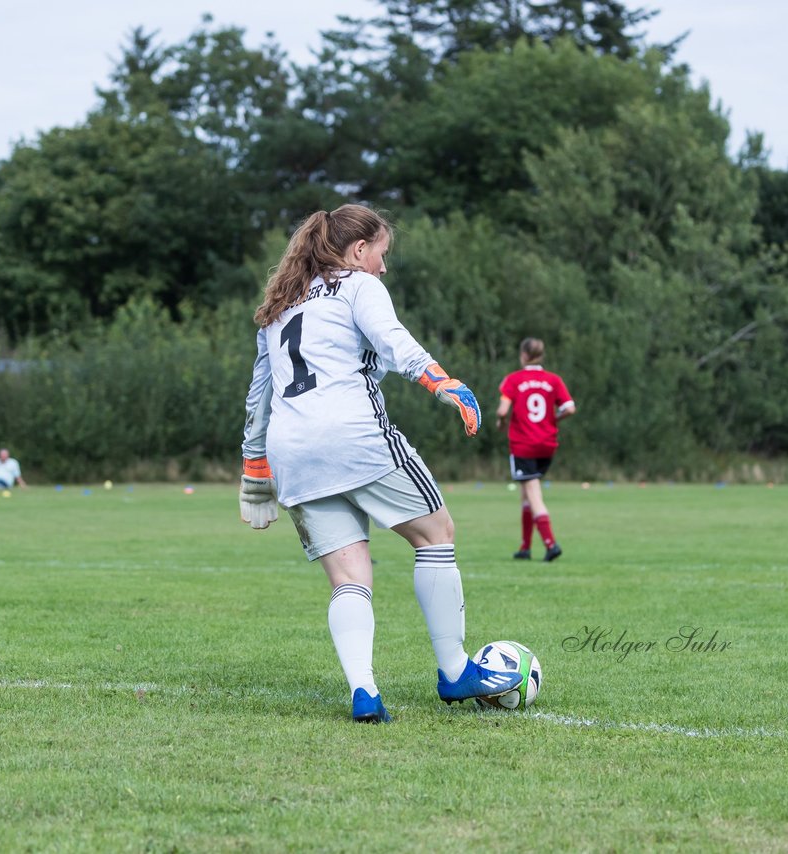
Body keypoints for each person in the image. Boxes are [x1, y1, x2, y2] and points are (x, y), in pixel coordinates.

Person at [239, 204, 522, 724]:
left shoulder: (280, 304)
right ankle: (456, 672)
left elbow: (260, 395)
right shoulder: (357, 285)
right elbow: (392, 342)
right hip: (355, 438)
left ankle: (364, 693)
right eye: (381, 254)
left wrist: (254, 468)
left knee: (350, 578)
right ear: (358, 250)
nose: (383, 268)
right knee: (436, 533)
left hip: (292, 454)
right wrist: (441, 380)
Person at [496, 338, 576, 561]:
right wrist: (554, 419)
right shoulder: (553, 380)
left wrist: (501, 423)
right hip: (547, 445)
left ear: (523, 355)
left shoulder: (513, 380)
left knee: (533, 493)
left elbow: (503, 411)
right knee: (526, 494)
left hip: (524, 445)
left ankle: (551, 544)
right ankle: (525, 547)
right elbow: (570, 408)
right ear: (541, 356)